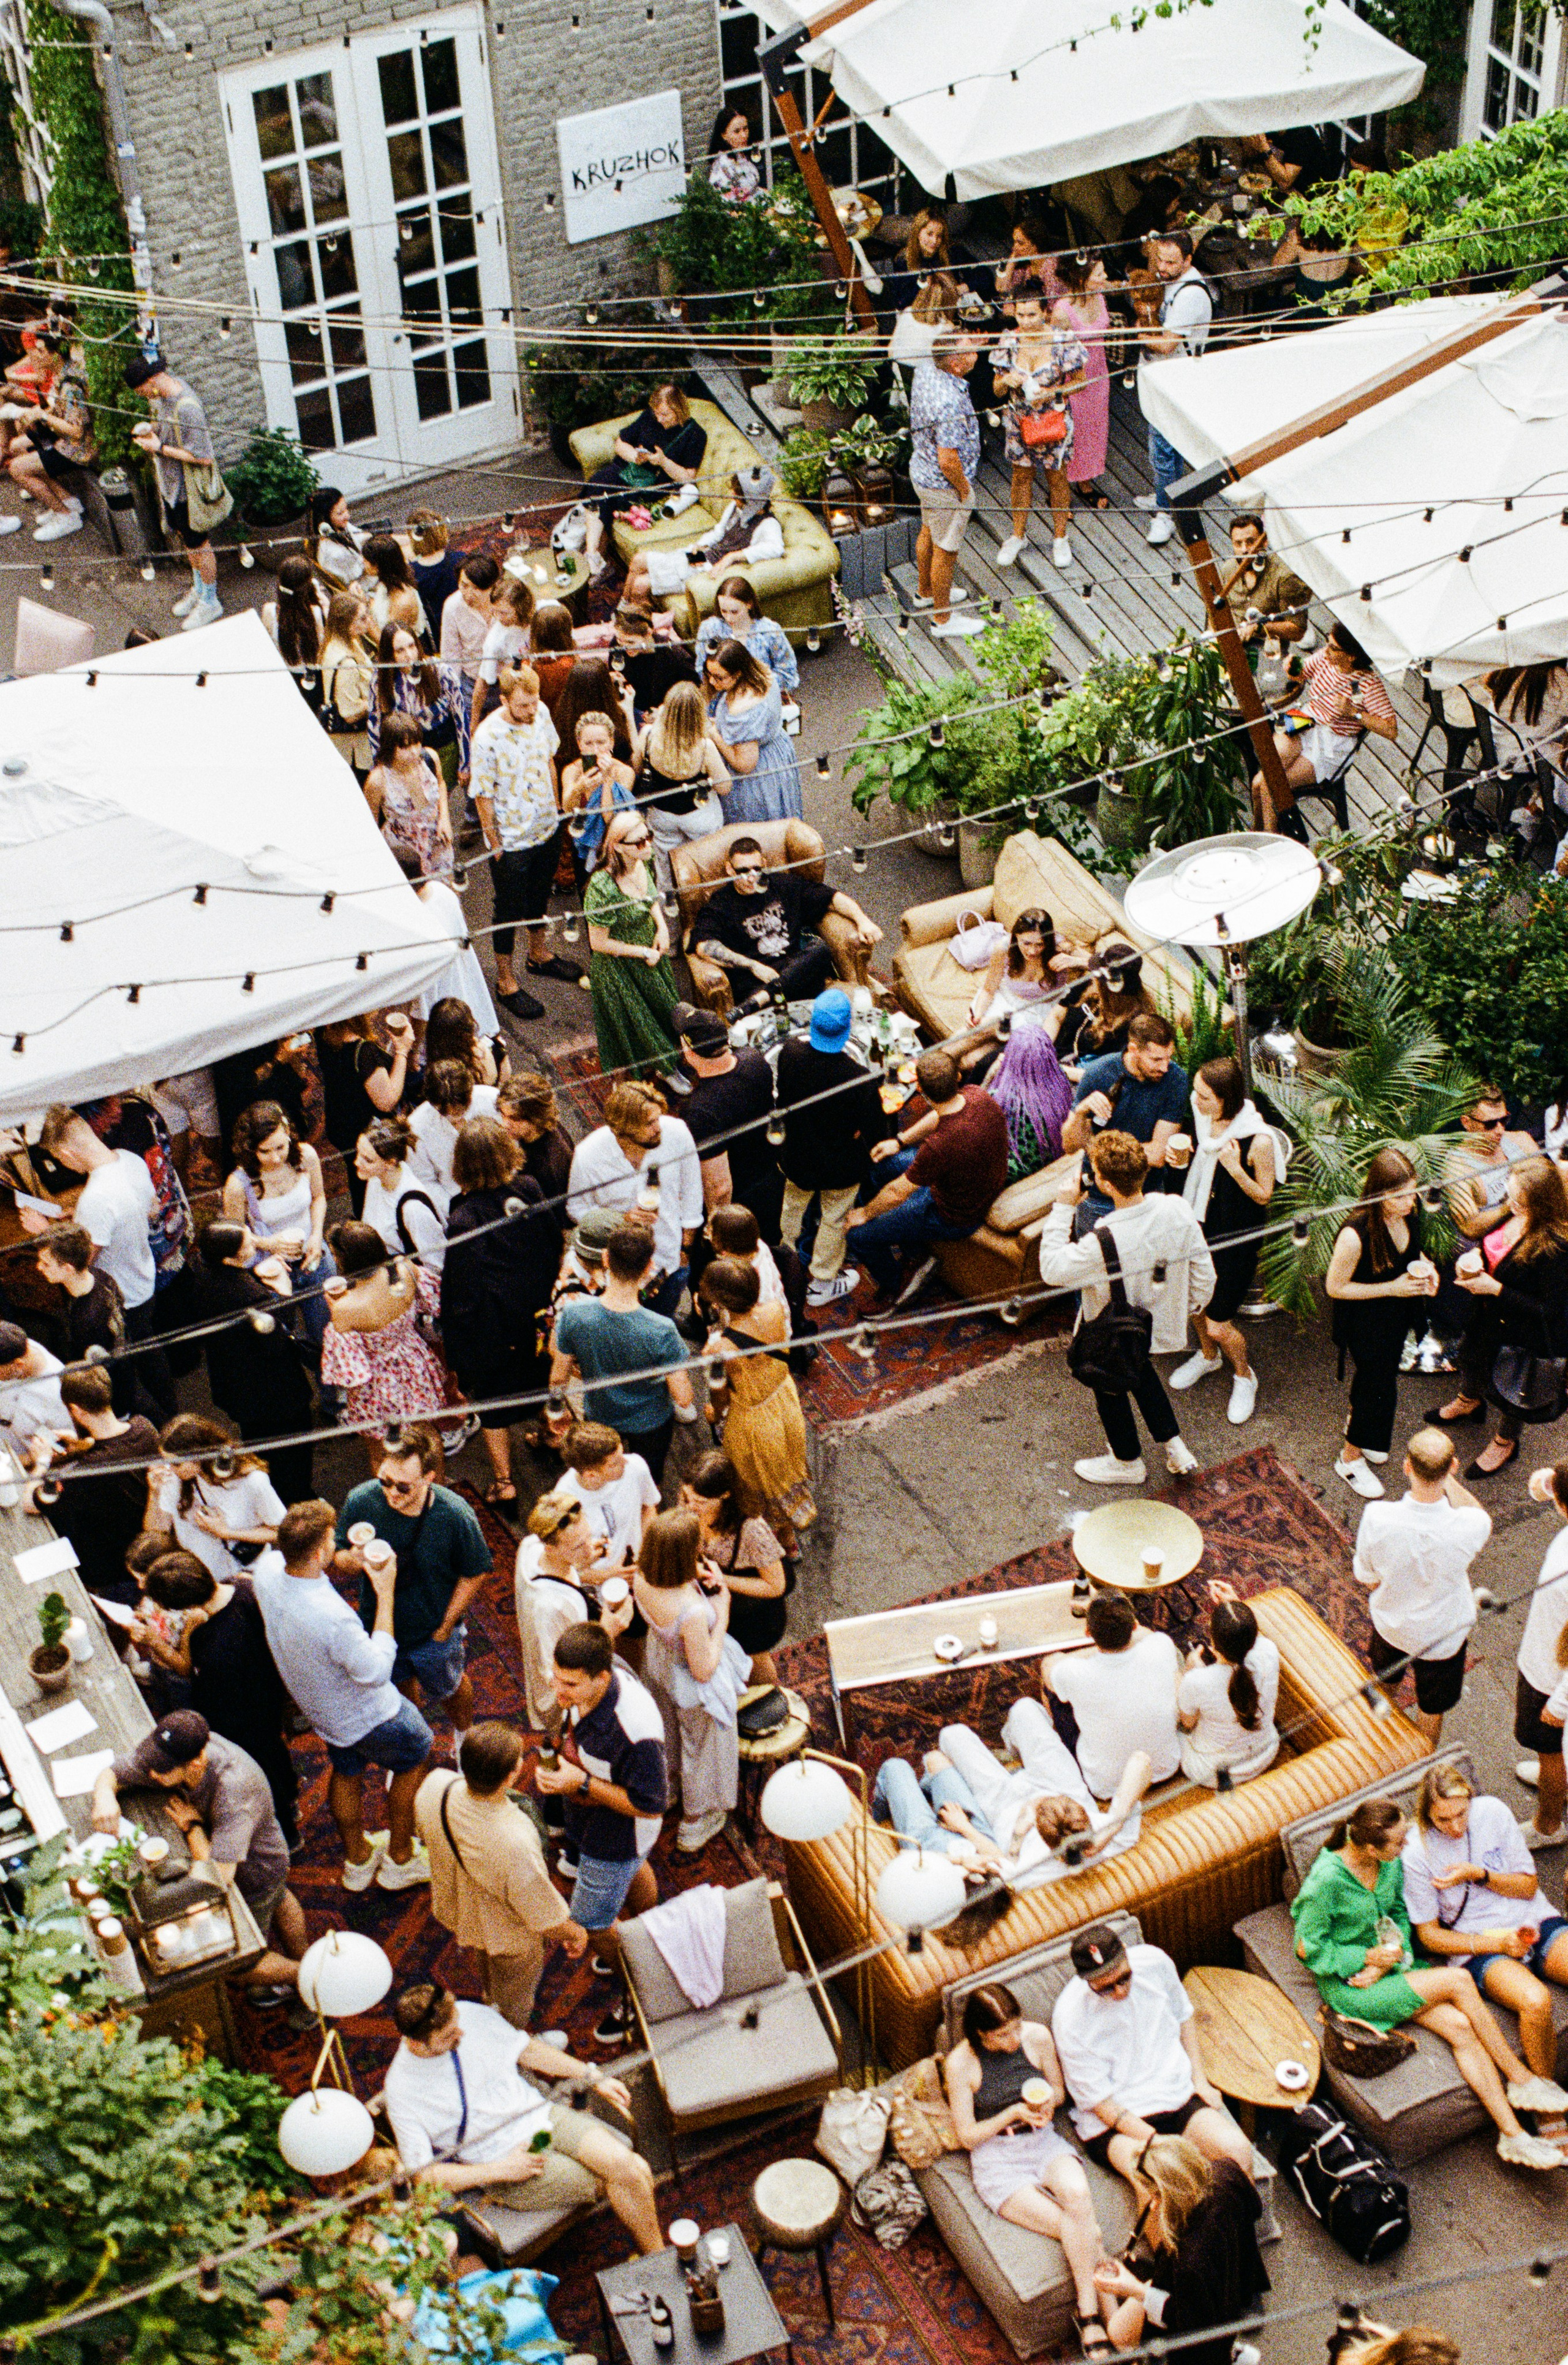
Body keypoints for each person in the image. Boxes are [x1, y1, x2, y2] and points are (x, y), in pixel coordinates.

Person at [1290, 1798, 1562, 2169]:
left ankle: (1513, 2135)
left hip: (1392, 1970)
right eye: (1400, 1843)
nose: (1407, 1849)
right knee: (1459, 1980)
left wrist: (1394, 1949)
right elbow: (1309, 1950)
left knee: (1461, 2026)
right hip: (1352, 1987)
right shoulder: (1325, 1881)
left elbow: (1399, 1913)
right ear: (1370, 1847)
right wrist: (1365, 1960)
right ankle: (1521, 2079)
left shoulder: (1386, 1865)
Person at [382, 1979, 660, 2250]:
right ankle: (663, 2260)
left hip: (543, 2119)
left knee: (627, 2167)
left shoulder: (468, 2015)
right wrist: (498, 2171)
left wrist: (591, 2076)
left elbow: (526, 2051)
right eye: (448, 2036)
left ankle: (660, 2260)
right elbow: (423, 2177)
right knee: (632, 2175)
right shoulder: (401, 2091)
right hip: (503, 2161)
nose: (461, 2034)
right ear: (417, 2044)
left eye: (458, 2025)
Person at [254, 1499, 432, 1892]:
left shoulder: (266, 1570)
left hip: (324, 1712)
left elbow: (301, 1568)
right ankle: (401, 1858)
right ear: (320, 1552)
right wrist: (385, 1593)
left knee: (348, 1769)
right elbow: (376, 1671)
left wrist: (345, 1557)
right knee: (416, 1755)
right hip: (374, 1714)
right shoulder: (332, 1616)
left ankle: (358, 1859)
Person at [89, 1710, 307, 2004]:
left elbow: (217, 1878)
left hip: (256, 1870)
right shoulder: (173, 1747)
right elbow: (114, 1772)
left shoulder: (235, 1791)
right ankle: (306, 1958)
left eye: (162, 1770)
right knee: (280, 1897)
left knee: (241, 1962)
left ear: (197, 1763)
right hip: (238, 1852)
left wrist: (193, 1828)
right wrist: (104, 1795)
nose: (151, 1774)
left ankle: (310, 1977)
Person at [1035, 1129, 1213, 1484]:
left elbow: (1051, 1269)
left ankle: (1126, 1460)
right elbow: (1205, 1275)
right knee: (1142, 1370)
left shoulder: (1101, 1239)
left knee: (1110, 1382)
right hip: (1156, 1327)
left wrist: (1063, 1207)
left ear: (1104, 1183)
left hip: (1112, 1330)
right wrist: (1185, 1307)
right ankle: (1174, 1444)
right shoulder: (1177, 1208)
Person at [944, 1981, 1112, 2355]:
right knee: (1089, 2232)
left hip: (1043, 2142)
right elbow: (968, 2136)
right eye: (1003, 2035)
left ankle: (1095, 2319)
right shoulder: (960, 2065)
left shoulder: (1037, 2037)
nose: (1014, 2039)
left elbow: (1060, 2092)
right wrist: (1012, 2112)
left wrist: (1048, 2105)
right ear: (980, 2034)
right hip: (998, 2159)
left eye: (1017, 2027)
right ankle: (1098, 2319)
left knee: (1078, 2196)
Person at [1052, 1924, 1254, 2194]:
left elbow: (1184, 2017)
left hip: (1175, 2096)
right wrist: (1160, 2144)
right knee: (1158, 2185)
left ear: (1126, 1952)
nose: (1120, 1991)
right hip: (1115, 2120)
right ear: (1085, 1980)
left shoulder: (1155, 1961)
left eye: (1124, 1978)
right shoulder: (1069, 2017)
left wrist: (1200, 2081)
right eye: (1106, 1988)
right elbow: (1101, 2104)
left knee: (1238, 2151)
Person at [1403, 1759, 1568, 2089]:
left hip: (1533, 1919)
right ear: (1426, 1816)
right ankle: (1548, 2109)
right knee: (1535, 2001)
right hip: (1482, 1947)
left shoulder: (1492, 1812)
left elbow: (1528, 1886)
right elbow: (1431, 1937)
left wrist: (1480, 1875)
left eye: (1461, 1814)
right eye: (1443, 1820)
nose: (1454, 1827)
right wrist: (1500, 1944)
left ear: (1471, 1799)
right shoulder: (1416, 1852)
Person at [415, 1722, 588, 2026]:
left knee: (486, 1968)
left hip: (462, 1908)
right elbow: (541, 1911)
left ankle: (489, 2001)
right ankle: (512, 2045)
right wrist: (575, 1934)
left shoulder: (436, 1784)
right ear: (512, 1774)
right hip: (508, 1935)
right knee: (514, 2001)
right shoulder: (515, 1837)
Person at [878, 1700, 1150, 1889]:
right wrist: (1108, 1830)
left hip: (1005, 1806)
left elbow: (1001, 1860)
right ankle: (1013, 1751)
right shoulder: (1116, 1838)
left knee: (953, 1735)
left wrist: (1019, 1833)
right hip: (1060, 1785)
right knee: (1025, 1710)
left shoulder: (1028, 1874)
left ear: (1047, 1843)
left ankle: (1008, 1765)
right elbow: (1141, 1761)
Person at [132, 1548, 299, 1849]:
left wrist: (178, 1635)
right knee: (274, 1751)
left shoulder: (209, 1641)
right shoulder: (244, 1584)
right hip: (268, 1695)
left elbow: (186, 1670)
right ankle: (292, 1799)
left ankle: (287, 1835)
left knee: (261, 1772)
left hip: (237, 1717)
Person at [334, 1423, 491, 1741]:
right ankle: (418, 1741)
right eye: (385, 1482)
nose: (392, 1493)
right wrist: (352, 1560)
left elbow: (476, 1571)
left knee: (451, 1688)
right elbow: (338, 1557)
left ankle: (464, 1738)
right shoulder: (361, 1501)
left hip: (433, 1632)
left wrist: (444, 1628)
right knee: (400, 1695)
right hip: (380, 1628)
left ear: (429, 1478)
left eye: (403, 1487)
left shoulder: (454, 1514)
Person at [535, 1621, 668, 1969]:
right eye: (556, 1676)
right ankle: (654, 1930)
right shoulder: (593, 1679)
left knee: (592, 1924)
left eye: (569, 1684)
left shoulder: (635, 1733)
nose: (557, 1690)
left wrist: (581, 1784)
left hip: (616, 1839)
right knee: (637, 1870)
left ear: (603, 1679)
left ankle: (636, 1978)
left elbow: (651, 1806)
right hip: (595, 1823)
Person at [442, 1117, 557, 1509]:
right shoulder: (528, 1188)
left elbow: (461, 1295)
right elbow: (552, 1241)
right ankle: (550, 1433)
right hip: (537, 1315)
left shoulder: (462, 1220)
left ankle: (505, 1483)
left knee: (494, 1407)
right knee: (542, 1377)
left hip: (493, 1331)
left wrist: (458, 1359)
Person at [1430, 1155, 1568, 1479]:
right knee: (1470, 1358)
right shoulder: (1513, 1212)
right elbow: (1490, 1243)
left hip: (1521, 1334)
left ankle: (1506, 1441)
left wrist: (1494, 1288)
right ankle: (1469, 1401)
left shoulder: (1557, 1246)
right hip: (1487, 1318)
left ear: (1543, 1203)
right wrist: (1476, 1253)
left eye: (1520, 1201)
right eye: (1509, 1195)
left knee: (1515, 1389)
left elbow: (1548, 1310)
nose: (1512, 1204)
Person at [1167, 1055, 1286, 1425]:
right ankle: (1207, 1356)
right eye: (1196, 1092)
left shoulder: (1257, 1139)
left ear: (1226, 1098)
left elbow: (1264, 1196)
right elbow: (1194, 1166)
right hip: (1197, 1225)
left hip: (1235, 1237)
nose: (1195, 1101)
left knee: (1220, 1322)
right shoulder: (1203, 1119)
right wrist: (1179, 1160)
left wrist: (1234, 1169)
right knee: (1194, 1303)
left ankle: (1244, 1375)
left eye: (1204, 1096)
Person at [1353, 1428, 1490, 1745]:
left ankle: (1376, 1742)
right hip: (1444, 1638)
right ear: (1453, 1467)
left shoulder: (1377, 1516)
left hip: (1392, 1627)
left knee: (1385, 1682)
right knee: (1432, 1709)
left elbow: (1366, 1577)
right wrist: (1447, 1479)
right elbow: (1479, 1514)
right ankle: (1424, 1765)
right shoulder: (1472, 1526)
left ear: (1406, 1467)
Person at [846, 1047, 1009, 1300]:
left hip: (955, 1214)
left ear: (920, 1090)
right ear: (957, 1077)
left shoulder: (939, 1147)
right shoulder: (975, 1094)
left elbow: (898, 1192)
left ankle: (896, 1285)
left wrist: (864, 1215)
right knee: (882, 1168)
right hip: (965, 1179)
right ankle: (904, 1242)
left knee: (857, 1236)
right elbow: (939, 1115)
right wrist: (899, 1141)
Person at [1094, 2136, 1269, 2365]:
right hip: (1233, 2286)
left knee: (1119, 2334)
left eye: (1152, 2193)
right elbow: (1255, 2208)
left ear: (1164, 2194)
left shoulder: (1188, 2259)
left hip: (1201, 2327)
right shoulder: (1227, 2172)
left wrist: (1134, 2289)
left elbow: (1183, 2321)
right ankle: (1231, 2352)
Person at [33, 1106, 167, 1402]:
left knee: (131, 1363)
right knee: (150, 1348)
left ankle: (152, 1410)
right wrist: (78, 1218)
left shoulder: (96, 1199)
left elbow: (79, 1263)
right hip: (144, 1273)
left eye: (58, 1158)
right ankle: (166, 1400)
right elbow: (149, 1206)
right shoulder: (129, 1159)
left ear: (66, 1154)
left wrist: (44, 1230)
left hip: (122, 1296)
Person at [633, 1506, 747, 1852]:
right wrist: (723, 1610)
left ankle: (667, 1790)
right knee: (702, 1748)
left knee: (667, 1731)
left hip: (659, 1663)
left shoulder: (641, 1576)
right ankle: (695, 1822)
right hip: (690, 1681)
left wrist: (697, 1574)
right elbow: (705, 1668)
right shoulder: (691, 1611)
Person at [1324, 1147, 1436, 1498]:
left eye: (1413, 1190)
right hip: (1364, 1322)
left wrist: (1428, 1270)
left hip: (1396, 1316)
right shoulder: (1355, 1233)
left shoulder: (1409, 1214)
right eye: (1399, 1194)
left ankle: (1365, 1433)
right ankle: (1349, 1458)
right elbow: (1335, 1287)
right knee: (1378, 1387)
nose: (1410, 1200)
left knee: (1378, 1383)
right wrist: (1393, 1288)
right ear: (1378, 1193)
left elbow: (1415, 1253)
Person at [551, 1221, 693, 1482]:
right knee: (648, 1481)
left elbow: (558, 1378)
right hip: (652, 1423)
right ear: (649, 1267)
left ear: (605, 1258)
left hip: (600, 1416)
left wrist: (556, 1412)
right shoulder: (662, 1329)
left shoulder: (573, 1315)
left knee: (604, 1479)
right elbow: (683, 1398)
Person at [470, 662, 573, 1022]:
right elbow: (482, 795)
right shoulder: (486, 737)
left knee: (539, 896)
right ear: (504, 700)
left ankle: (539, 954)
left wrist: (558, 809)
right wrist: (495, 844)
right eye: (523, 706)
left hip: (546, 827)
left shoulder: (540, 712)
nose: (532, 711)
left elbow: (549, 759)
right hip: (511, 840)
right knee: (508, 909)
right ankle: (505, 979)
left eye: (534, 703)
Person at [189, 1224, 315, 1503]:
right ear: (229, 1258)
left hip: (235, 1384)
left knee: (259, 1446)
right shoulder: (250, 1297)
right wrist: (283, 1292)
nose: (254, 1247)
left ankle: (271, 1495)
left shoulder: (202, 1269)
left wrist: (256, 1275)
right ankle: (297, 1498)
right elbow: (277, 1337)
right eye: (247, 1245)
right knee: (292, 1451)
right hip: (273, 1392)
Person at [776, 986, 885, 1306]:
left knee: (791, 1209)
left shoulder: (789, 1053)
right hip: (840, 1167)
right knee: (834, 1218)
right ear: (847, 1028)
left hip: (796, 1157)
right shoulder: (860, 1078)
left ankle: (783, 1262)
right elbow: (876, 1132)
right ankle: (822, 1280)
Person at [693, 834, 881, 1016]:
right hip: (757, 984)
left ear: (764, 865)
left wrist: (863, 920)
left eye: (756, 869)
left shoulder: (783, 885)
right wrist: (753, 966)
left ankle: (767, 996)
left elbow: (832, 898)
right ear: (729, 869)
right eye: (742, 871)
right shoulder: (720, 904)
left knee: (820, 949)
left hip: (797, 976)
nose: (751, 877)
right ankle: (768, 995)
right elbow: (704, 946)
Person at [698, 1255, 814, 1542]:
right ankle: (789, 1534)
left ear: (719, 1304)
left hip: (753, 1420)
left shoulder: (719, 1350)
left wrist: (715, 1412)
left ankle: (778, 1538)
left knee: (755, 1481)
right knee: (785, 1466)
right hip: (783, 1398)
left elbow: (721, 1397)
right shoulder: (774, 1309)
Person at [566, 1079, 704, 1314]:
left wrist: (685, 1252)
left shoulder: (677, 1133)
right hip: (616, 1272)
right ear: (623, 1130)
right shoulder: (588, 1155)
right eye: (649, 1123)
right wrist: (620, 1219)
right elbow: (576, 1207)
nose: (658, 1127)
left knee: (662, 1321)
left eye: (658, 1118)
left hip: (667, 1262)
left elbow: (692, 1192)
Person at [1253, 621, 1399, 838]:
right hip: (1306, 721)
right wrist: (1293, 667)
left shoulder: (1369, 685)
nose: (1326, 649)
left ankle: (1268, 838)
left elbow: (1391, 730)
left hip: (1334, 741)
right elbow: (1302, 673)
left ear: (1351, 656)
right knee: (1260, 781)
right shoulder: (1325, 658)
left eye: (1333, 647)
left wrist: (1354, 713)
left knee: (1268, 783)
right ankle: (1261, 833)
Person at [321, 1219, 450, 1450]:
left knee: (383, 1451)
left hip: (377, 1386)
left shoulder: (345, 1308)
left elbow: (351, 1373)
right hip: (415, 1365)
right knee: (428, 1440)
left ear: (345, 1259)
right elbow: (435, 1303)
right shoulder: (405, 1269)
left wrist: (335, 1307)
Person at [1046, 1587, 1181, 1798]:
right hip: (1166, 1768)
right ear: (1134, 1626)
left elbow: (1050, 1665)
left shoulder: (1073, 1671)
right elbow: (1146, 1635)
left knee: (1051, 1681)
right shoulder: (1161, 1645)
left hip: (1106, 1786)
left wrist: (1092, 1648)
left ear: (1088, 1633)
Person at [42, 1364, 160, 1602]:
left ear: (75, 1409)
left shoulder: (87, 1471)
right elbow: (117, 1446)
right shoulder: (144, 1427)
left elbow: (34, 1503)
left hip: (114, 1567)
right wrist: (85, 1445)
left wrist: (41, 1460)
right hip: (150, 1544)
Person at [223, 1101, 334, 1354]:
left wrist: (317, 1235)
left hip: (313, 1256)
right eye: (265, 1151)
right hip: (272, 1270)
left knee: (327, 1332)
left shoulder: (306, 1156)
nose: (275, 1158)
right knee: (282, 1340)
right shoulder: (238, 1185)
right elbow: (237, 1236)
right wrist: (269, 1244)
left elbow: (319, 1197)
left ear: (289, 1134)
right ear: (250, 1149)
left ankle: (331, 1390)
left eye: (281, 1147)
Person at [123, 352, 224, 630]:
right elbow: (169, 430)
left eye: (142, 391)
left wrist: (159, 449)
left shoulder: (187, 407)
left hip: (188, 490)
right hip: (172, 487)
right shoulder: (163, 397)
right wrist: (151, 429)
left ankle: (211, 601)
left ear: (152, 380)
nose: (144, 397)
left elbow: (204, 457)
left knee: (199, 545)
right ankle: (199, 590)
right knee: (187, 541)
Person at [514, 1490, 628, 1729]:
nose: (589, 1550)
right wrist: (606, 1634)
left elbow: (566, 1572)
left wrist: (582, 1560)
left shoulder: (530, 1546)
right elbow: (556, 1675)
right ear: (550, 1547)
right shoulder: (549, 1608)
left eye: (588, 1537)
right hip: (565, 1702)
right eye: (578, 1546)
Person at [991, 289, 1087, 571]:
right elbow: (996, 391)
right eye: (1020, 314)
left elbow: (1080, 382)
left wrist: (1052, 391)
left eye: (1032, 314)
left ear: (1045, 312)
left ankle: (1060, 537)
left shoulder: (1062, 340)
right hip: (1019, 419)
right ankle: (1017, 535)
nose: (1026, 321)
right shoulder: (1009, 341)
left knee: (1057, 477)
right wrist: (1007, 379)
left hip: (1054, 418)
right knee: (1021, 477)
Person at [1060, 1012, 1188, 1218]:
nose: (1165, 1067)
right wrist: (1081, 1112)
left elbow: (1157, 1155)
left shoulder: (1176, 1080)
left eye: (1169, 1058)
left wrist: (1097, 1151)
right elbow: (1069, 1145)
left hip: (1146, 1197)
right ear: (1133, 1049)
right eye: (1156, 1059)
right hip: (1099, 1199)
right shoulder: (1098, 1073)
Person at [583, 810, 680, 1078]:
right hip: (619, 965)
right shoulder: (602, 887)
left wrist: (661, 928)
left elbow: (650, 900)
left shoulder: (641, 862)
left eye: (648, 837)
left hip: (650, 952)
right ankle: (663, 1070)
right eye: (639, 842)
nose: (648, 845)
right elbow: (598, 942)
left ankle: (668, 1063)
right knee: (639, 1022)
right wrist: (642, 952)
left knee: (663, 1010)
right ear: (617, 847)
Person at [681, 1450, 789, 1683]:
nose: (690, 1507)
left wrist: (719, 1578)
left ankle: (769, 1703)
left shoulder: (751, 1530)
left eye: (700, 1502)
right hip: (718, 1603)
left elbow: (776, 1586)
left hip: (752, 1615)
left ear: (726, 1495)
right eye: (687, 1497)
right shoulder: (692, 1507)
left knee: (754, 1663)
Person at [673, 1003, 780, 1233]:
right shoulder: (753, 1059)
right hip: (771, 1171)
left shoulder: (699, 1112)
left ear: (689, 1052)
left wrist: (716, 1226)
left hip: (743, 1196)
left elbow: (720, 1187)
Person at [581, 382, 707, 578]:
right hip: (629, 471)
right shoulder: (650, 417)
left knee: (609, 497)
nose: (659, 418)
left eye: (665, 414)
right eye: (657, 413)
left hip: (655, 485)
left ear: (679, 410)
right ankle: (592, 555)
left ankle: (594, 558)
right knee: (598, 485)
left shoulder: (695, 434)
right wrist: (635, 457)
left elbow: (688, 477)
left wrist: (664, 462)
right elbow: (620, 443)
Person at [1134, 232, 1212, 548]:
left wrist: (1135, 331)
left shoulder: (1190, 294)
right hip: (1159, 376)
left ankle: (1167, 513)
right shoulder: (1165, 277)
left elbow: (1166, 344)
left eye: (1171, 262)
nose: (1162, 268)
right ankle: (1169, 493)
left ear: (1188, 261)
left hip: (1177, 378)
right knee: (1169, 445)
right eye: (1160, 260)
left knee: (1164, 447)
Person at [146, 1411, 284, 1581]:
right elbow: (156, 1533)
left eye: (176, 1463)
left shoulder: (252, 1482)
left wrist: (227, 1532)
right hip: (202, 1581)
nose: (170, 1468)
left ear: (197, 1455)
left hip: (248, 1577)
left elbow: (280, 1531)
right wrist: (154, 1493)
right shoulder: (174, 1478)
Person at [623, 471, 785, 613]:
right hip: (701, 557)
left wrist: (733, 557)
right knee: (638, 560)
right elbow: (718, 532)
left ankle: (633, 623)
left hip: (707, 570)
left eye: (738, 496)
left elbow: (776, 548)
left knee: (640, 585)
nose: (734, 498)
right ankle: (622, 610)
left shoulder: (768, 524)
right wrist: (700, 544)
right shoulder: (736, 508)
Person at [909, 331, 984, 637]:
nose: (976, 349)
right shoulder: (950, 402)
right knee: (946, 549)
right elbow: (948, 460)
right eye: (969, 349)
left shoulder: (927, 370)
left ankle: (925, 591)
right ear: (955, 363)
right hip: (944, 485)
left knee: (929, 530)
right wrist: (964, 491)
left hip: (922, 473)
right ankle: (943, 619)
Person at [630, 679, 730, 888]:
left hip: (661, 815)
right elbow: (725, 787)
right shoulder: (704, 747)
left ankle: (669, 905)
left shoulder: (648, 735)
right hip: (699, 815)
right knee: (706, 865)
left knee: (665, 868)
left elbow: (637, 768)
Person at [1177, 1583, 1280, 1786]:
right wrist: (1235, 1606)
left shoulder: (1198, 1680)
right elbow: (1254, 1638)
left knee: (1173, 1680)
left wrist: (1188, 1670)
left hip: (1212, 1772)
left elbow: (1187, 1723)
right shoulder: (1269, 1651)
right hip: (1267, 1753)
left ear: (1213, 1647)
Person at [1517, 1460, 1568, 1844]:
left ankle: (1548, 1826)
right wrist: (1550, 1482)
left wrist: (1560, 1705)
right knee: (1547, 1748)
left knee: (1549, 1747)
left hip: (1551, 1678)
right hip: (1544, 1659)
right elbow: (1541, 1484)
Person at [32, 1221, 132, 1407]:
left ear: (68, 1269)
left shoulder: (87, 1322)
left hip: (109, 1391)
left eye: (46, 1263)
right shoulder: (100, 1276)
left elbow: (93, 1375)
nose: (39, 1267)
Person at [704, 638, 802, 826]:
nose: (711, 681)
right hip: (776, 753)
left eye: (719, 677)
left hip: (757, 779)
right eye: (709, 674)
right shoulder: (763, 675)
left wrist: (714, 733)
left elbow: (745, 765)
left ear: (738, 673)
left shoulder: (742, 710)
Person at [8, 339, 93, 540]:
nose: (34, 356)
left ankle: (67, 517)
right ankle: (67, 502)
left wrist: (44, 417)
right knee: (19, 447)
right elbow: (58, 411)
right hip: (63, 440)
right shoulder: (60, 375)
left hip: (77, 448)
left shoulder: (70, 386)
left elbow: (77, 432)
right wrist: (34, 414)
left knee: (17, 469)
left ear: (54, 354)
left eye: (40, 352)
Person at [367, 624, 470, 786]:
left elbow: (461, 717)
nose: (409, 655)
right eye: (400, 650)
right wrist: (380, 765)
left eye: (412, 646)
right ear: (390, 655)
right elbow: (374, 724)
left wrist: (465, 763)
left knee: (439, 801)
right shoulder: (380, 680)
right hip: (403, 751)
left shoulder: (440, 671)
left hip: (442, 747)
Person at [556, 1420, 662, 1574]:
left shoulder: (636, 1467)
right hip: (600, 1578)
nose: (625, 1462)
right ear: (591, 1475)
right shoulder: (563, 1501)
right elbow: (564, 1569)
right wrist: (606, 1576)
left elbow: (648, 1507)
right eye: (615, 1463)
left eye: (622, 1453)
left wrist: (645, 1554)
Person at [1051, 252, 1112, 508]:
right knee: (1071, 434)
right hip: (1074, 378)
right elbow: (1054, 354)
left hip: (1099, 373)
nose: (1105, 277)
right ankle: (1059, 495)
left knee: (1094, 430)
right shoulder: (1063, 311)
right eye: (1099, 274)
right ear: (1082, 278)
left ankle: (1085, 482)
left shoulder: (1099, 297)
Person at [364, 710, 454, 883]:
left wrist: (445, 819)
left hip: (437, 844)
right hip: (405, 854)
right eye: (405, 747)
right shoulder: (378, 780)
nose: (414, 751)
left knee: (445, 893)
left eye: (416, 743)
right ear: (391, 747)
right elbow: (371, 823)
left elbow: (441, 784)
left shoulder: (429, 758)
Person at [354, 1117, 448, 1271]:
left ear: (390, 1163)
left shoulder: (413, 1209)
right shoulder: (376, 1180)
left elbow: (438, 1266)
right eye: (358, 1153)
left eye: (368, 1160)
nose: (357, 1162)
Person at [560, 707, 638, 883]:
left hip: (615, 847)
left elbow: (611, 817)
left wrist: (608, 780)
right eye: (588, 744)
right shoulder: (572, 771)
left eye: (601, 743)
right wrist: (580, 787)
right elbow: (567, 808)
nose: (595, 749)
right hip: (584, 845)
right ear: (579, 744)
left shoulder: (624, 772)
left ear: (611, 742)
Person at [693, 575, 799, 696]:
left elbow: (787, 673)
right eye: (724, 611)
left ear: (749, 604)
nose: (728, 618)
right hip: (721, 697)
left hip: (760, 696)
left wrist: (750, 687)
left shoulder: (770, 631)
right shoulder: (709, 629)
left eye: (734, 612)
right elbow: (701, 670)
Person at [1219, 512, 1312, 647]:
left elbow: (1297, 631)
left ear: (1264, 542)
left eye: (1250, 542)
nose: (1244, 550)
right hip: (1236, 639)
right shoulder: (1228, 569)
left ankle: (1297, 606)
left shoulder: (1284, 577)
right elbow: (1217, 608)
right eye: (1238, 544)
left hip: (1271, 643)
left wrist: (1258, 627)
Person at [497, 1071, 574, 1224]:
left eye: (514, 1118)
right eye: (503, 1115)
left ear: (535, 1117)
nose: (505, 1124)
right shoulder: (545, 1131)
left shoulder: (545, 1168)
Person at [609, 602, 699, 725]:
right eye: (620, 640)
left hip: (664, 717)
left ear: (649, 632)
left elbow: (693, 693)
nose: (624, 647)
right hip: (630, 708)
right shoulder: (617, 644)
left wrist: (664, 711)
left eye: (631, 642)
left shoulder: (675, 657)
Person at [319, 590, 376, 775]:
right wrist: (377, 699)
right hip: (357, 749)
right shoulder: (347, 665)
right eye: (362, 618)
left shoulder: (345, 642)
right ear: (347, 624)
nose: (368, 621)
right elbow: (349, 713)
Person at [472, 576, 537, 734]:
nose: (498, 618)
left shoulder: (538, 618)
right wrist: (474, 724)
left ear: (521, 608)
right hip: (512, 689)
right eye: (495, 612)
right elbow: (483, 682)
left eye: (504, 613)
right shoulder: (495, 641)